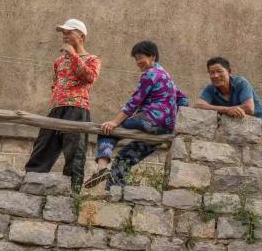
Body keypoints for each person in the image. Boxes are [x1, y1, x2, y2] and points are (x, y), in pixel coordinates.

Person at [84, 40, 188, 188]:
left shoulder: (150, 74)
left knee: (107, 130)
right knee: (124, 158)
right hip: (165, 129)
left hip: (150, 121)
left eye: (140, 57)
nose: (138, 62)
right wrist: (172, 120)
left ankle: (101, 169)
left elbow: (134, 102)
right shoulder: (166, 76)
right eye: (136, 59)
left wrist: (114, 122)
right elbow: (183, 100)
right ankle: (116, 192)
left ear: (152, 56)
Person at [24, 18, 101, 191]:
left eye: (68, 32)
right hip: (56, 108)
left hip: (77, 108)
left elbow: (89, 77)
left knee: (75, 152)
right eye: (63, 33)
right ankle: (30, 185)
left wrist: (73, 55)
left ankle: (72, 193)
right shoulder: (59, 61)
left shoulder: (92, 59)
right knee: (43, 146)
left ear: (81, 36)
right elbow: (55, 83)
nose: (64, 36)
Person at [196, 57, 262, 120]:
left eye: (219, 71)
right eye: (212, 72)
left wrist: (222, 110)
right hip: (240, 126)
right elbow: (198, 105)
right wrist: (227, 110)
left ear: (229, 72)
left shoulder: (240, 82)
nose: (216, 76)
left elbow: (249, 108)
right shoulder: (210, 88)